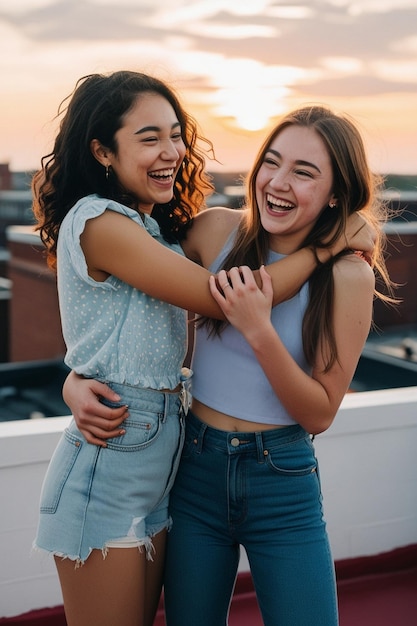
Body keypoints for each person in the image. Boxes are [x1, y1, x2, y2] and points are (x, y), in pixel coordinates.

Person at [31, 70, 373, 626]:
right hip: (179, 464)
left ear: (336, 191)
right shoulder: (204, 232)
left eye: (304, 172)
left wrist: (319, 268)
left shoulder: (346, 279)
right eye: (272, 161)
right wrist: (72, 379)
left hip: (251, 473)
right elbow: (194, 299)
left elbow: (319, 412)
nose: (278, 182)